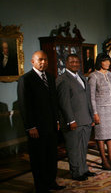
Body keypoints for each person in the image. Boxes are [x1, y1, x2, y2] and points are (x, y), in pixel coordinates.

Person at [17, 51, 65, 192]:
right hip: (36, 128)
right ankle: (41, 187)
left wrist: (57, 120)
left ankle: (51, 182)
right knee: (38, 159)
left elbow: (54, 102)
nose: (43, 62)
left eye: (45, 59)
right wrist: (30, 126)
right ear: (32, 61)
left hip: (51, 126)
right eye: (40, 60)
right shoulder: (25, 79)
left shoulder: (50, 77)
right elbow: (24, 105)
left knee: (51, 156)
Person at [56, 54, 96, 181]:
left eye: (77, 62)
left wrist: (91, 117)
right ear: (66, 64)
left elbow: (87, 99)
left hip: (86, 120)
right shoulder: (62, 79)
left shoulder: (81, 77)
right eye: (72, 62)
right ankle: (76, 173)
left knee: (83, 147)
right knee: (73, 148)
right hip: (73, 122)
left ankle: (83, 170)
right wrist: (71, 120)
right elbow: (64, 103)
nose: (75, 64)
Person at [88, 53, 111, 170]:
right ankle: (103, 160)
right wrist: (94, 113)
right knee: (101, 136)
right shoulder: (94, 76)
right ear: (99, 62)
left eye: (108, 61)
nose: (107, 63)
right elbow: (91, 96)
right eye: (105, 61)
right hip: (100, 109)